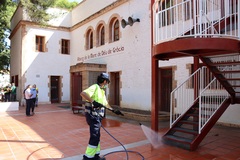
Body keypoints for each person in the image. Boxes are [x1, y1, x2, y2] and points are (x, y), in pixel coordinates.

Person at [80, 73, 123, 160]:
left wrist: (113, 110)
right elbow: (83, 93)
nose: (107, 84)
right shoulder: (95, 87)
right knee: (95, 135)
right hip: (93, 116)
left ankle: (96, 155)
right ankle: (88, 157)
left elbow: (105, 103)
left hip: (97, 117)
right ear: (104, 81)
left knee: (97, 135)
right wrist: (93, 101)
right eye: (107, 82)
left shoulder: (101, 90)